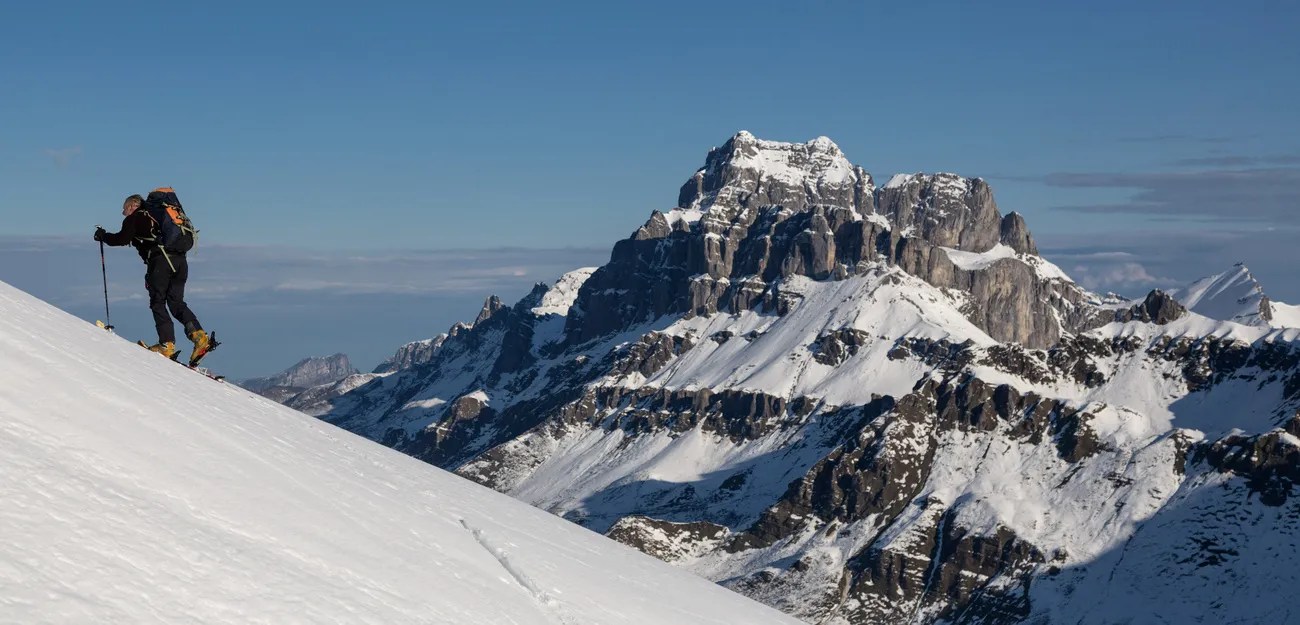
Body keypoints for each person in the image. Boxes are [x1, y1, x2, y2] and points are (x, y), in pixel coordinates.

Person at [94, 193, 211, 363]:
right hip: (180, 261)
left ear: (133, 205)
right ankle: (199, 337)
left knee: (158, 301)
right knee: (176, 302)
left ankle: (166, 344)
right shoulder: (157, 217)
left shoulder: (136, 217)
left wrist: (103, 236)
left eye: (125, 209)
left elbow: (121, 239)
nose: (123, 213)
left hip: (161, 261)